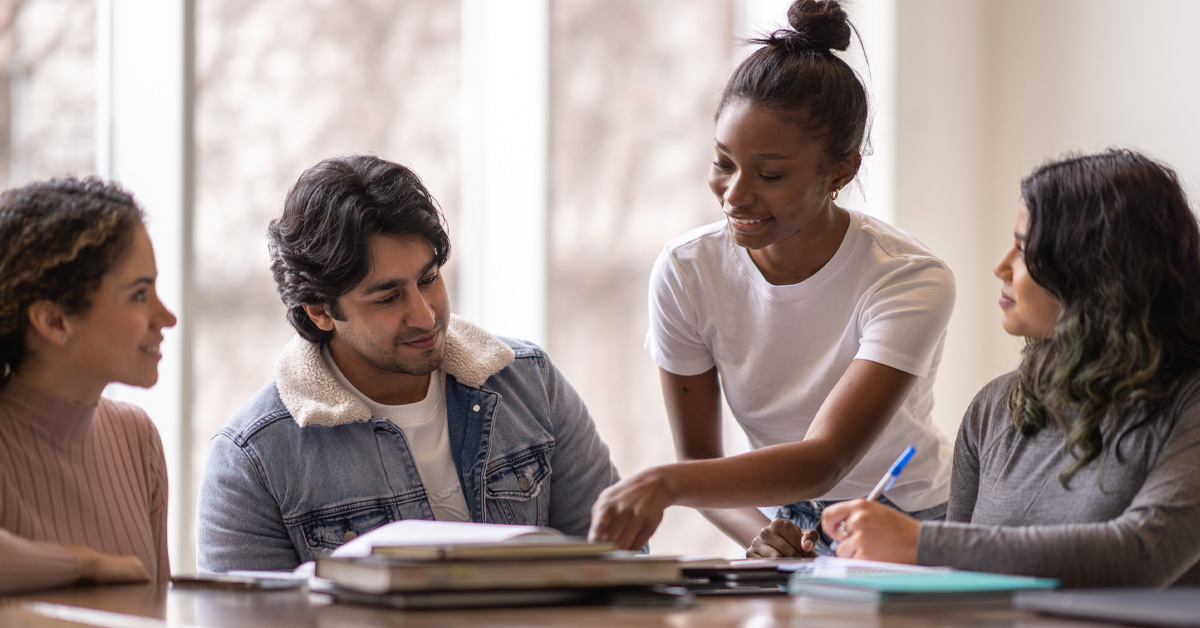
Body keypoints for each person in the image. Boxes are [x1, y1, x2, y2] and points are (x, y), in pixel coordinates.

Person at [588, 0, 955, 554]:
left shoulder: (908, 279)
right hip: (797, 523)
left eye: (771, 173)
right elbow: (702, 460)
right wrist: (759, 534)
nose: (735, 195)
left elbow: (825, 459)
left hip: (913, 522)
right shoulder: (689, 272)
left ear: (841, 170)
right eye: (723, 162)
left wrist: (661, 483)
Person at [196, 155, 621, 572]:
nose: (425, 315)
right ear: (319, 311)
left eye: (428, 279)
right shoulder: (253, 460)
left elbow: (618, 562)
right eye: (387, 297)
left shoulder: (529, 383)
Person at [821, 149, 1200, 587]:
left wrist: (921, 541)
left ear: (1097, 269)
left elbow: (1144, 554)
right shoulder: (994, 408)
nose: (1000, 266)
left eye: (1023, 250)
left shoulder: (1189, 402)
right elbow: (955, 579)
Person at [0, 178, 176, 593]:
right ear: (54, 321)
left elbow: (156, 613)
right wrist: (84, 564)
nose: (166, 317)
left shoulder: (137, 439)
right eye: (138, 295)